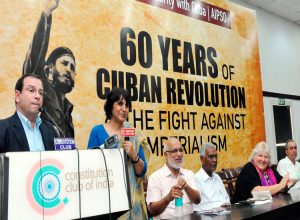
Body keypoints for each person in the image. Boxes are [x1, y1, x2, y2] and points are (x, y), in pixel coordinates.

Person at [87, 87, 149, 220]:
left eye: (127, 105)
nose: (124, 108)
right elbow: (89, 167)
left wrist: (134, 156)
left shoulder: (133, 133)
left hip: (132, 202)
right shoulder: (97, 131)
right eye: (120, 104)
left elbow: (141, 172)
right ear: (110, 106)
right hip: (106, 201)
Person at [23, 0, 76, 138]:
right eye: (64, 63)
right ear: (49, 69)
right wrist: (46, 14)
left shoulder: (68, 108)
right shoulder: (43, 89)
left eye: (72, 67)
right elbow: (36, 53)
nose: (69, 69)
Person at [146, 137, 200, 219]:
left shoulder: (189, 174)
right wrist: (168, 198)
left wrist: (187, 187)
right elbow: (153, 211)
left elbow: (197, 200)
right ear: (165, 155)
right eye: (174, 151)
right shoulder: (155, 177)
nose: (179, 154)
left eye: (181, 150)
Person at [0, 74, 56, 153]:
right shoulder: (2, 129)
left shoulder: (50, 130)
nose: (38, 96)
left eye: (40, 93)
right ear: (17, 96)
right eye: (31, 90)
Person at [194, 142, 230, 212]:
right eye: (211, 157)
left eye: (216, 156)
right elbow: (196, 209)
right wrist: (216, 209)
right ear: (202, 159)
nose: (215, 160)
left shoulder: (217, 177)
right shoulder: (196, 179)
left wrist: (226, 205)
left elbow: (227, 200)